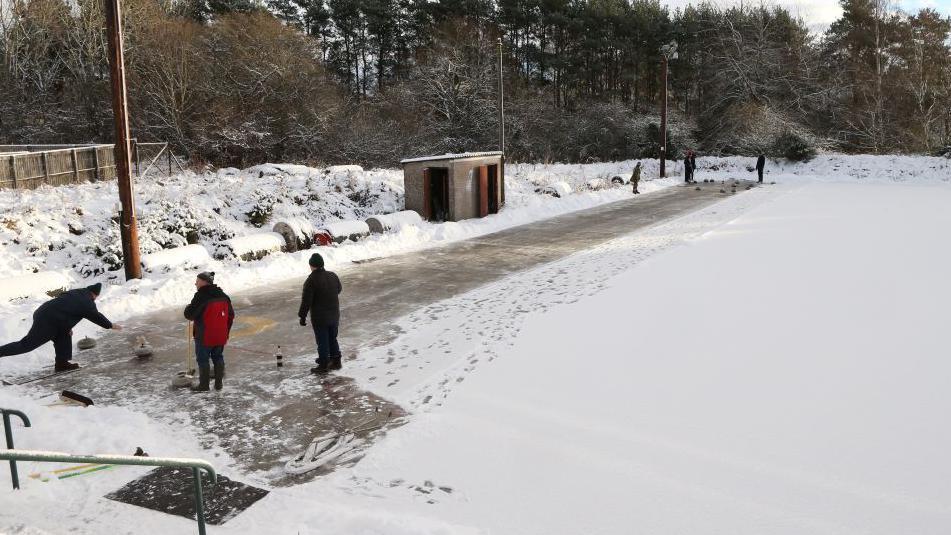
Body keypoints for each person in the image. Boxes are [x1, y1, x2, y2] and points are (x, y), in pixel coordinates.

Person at [0, 283, 121, 372]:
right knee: (27, 344)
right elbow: (96, 316)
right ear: (94, 295)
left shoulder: (76, 292)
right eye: (96, 297)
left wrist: (66, 324)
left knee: (64, 334)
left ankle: (62, 364)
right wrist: (110, 325)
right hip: (48, 319)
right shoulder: (86, 301)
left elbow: (65, 307)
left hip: (47, 314)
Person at [184, 272, 234, 392]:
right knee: (218, 357)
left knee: (203, 359)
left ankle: (204, 386)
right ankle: (218, 384)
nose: (195, 283)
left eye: (198, 281)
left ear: (204, 282)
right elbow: (231, 315)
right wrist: (225, 331)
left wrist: (188, 308)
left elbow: (189, 314)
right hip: (220, 335)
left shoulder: (201, 296)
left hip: (204, 336)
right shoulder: (224, 295)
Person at [298, 253, 343, 375]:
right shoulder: (333, 275)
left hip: (320, 318)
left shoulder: (311, 281)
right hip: (334, 315)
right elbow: (339, 289)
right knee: (332, 338)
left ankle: (323, 364)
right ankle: (336, 360)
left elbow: (306, 301)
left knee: (322, 341)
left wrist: (302, 316)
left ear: (312, 266)